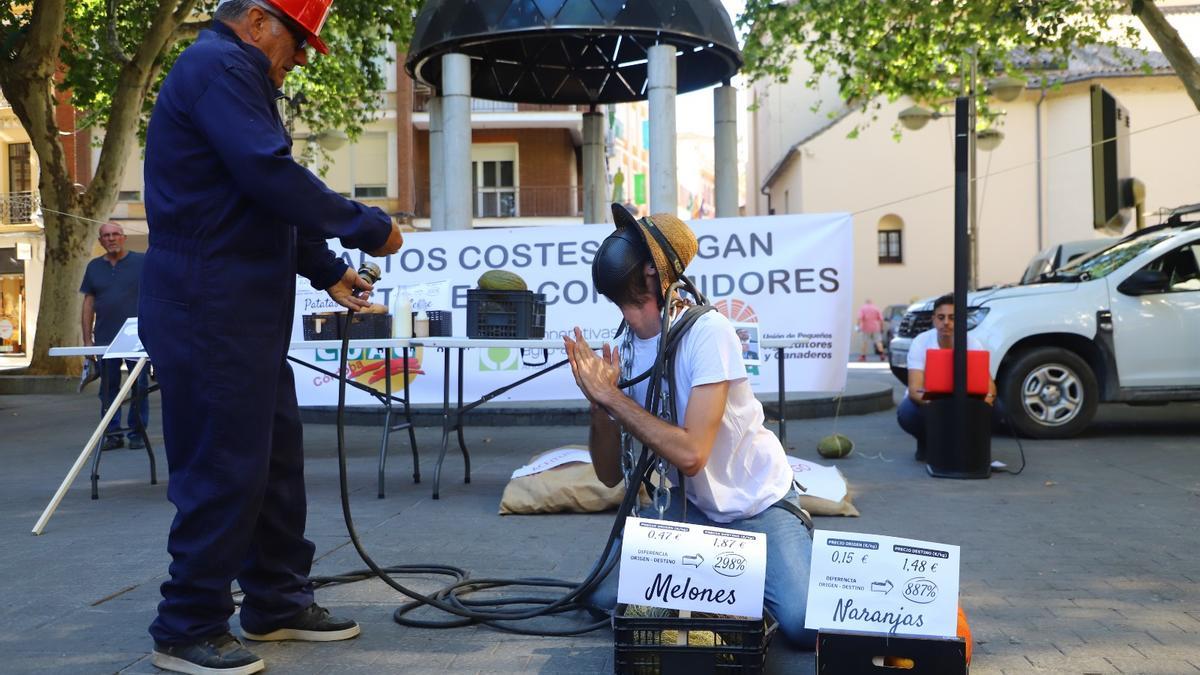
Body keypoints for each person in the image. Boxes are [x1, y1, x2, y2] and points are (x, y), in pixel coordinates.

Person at [140, 0, 404, 672]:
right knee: (225, 466)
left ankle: (276, 600)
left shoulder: (235, 74)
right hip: (208, 308)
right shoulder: (220, 67)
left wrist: (328, 270)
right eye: (297, 43)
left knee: (275, 460)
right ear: (258, 22)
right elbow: (269, 174)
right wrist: (365, 224)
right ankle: (187, 623)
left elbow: (261, 197)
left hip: (237, 312)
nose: (300, 60)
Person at [562, 205, 815, 649]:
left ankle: (756, 578)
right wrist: (600, 407)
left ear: (655, 274)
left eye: (635, 244)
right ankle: (730, 588)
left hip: (757, 507)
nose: (618, 249)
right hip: (691, 512)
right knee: (602, 597)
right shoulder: (624, 344)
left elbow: (692, 455)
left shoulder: (707, 332)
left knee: (802, 625)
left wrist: (613, 397)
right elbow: (607, 476)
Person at [896, 293, 999, 459]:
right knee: (907, 413)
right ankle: (927, 442)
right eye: (941, 317)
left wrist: (982, 407)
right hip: (930, 401)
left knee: (996, 410)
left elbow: (990, 386)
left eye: (952, 317)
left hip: (963, 399)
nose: (946, 323)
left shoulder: (973, 343)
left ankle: (966, 445)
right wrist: (943, 409)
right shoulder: (920, 342)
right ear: (934, 319)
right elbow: (915, 389)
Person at [80, 222, 150, 451]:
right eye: (106, 236)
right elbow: (88, 303)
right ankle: (112, 434)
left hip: (136, 339)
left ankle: (137, 432)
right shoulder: (93, 267)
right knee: (108, 389)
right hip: (105, 339)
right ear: (100, 241)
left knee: (138, 386)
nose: (111, 239)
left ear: (123, 237)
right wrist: (87, 341)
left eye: (115, 234)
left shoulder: (141, 262)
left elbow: (155, 294)